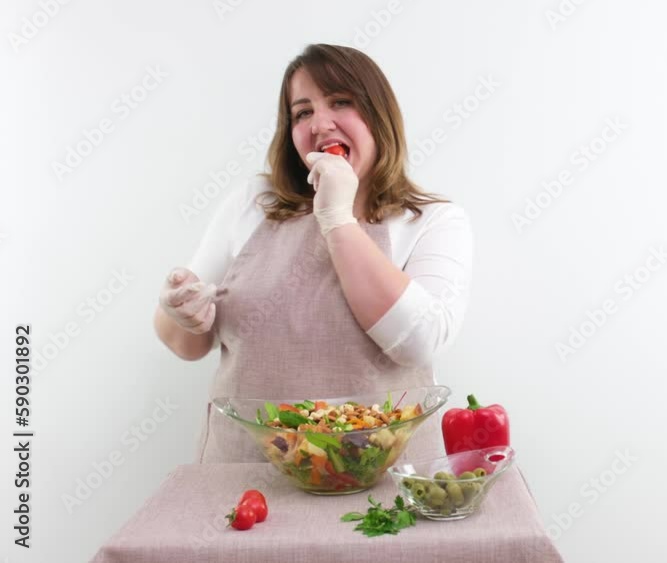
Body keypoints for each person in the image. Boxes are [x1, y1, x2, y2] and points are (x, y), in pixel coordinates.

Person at [152, 44, 474, 463]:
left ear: (380, 116)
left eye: (341, 102)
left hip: (377, 478)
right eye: (302, 112)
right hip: (245, 479)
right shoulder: (255, 202)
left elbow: (419, 343)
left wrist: (338, 219)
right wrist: (179, 311)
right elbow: (188, 343)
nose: (320, 124)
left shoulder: (432, 220)